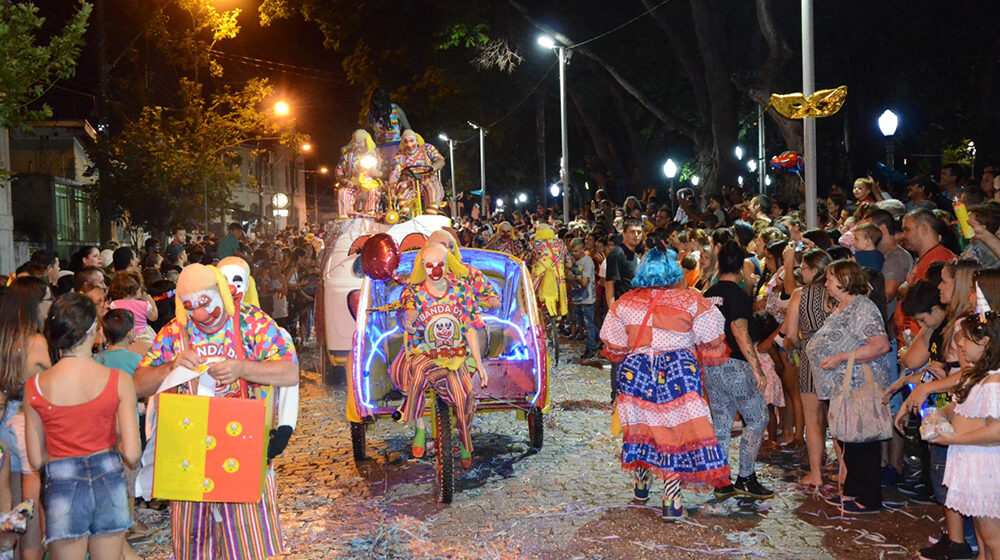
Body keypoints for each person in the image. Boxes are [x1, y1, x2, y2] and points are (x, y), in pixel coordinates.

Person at [133, 264, 299, 560]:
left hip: (244, 448)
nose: (199, 314)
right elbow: (137, 385)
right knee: (193, 546)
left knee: (247, 546)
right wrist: (169, 367)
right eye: (189, 306)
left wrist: (242, 368)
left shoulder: (251, 322)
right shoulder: (174, 332)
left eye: (205, 303)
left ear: (221, 293)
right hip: (188, 454)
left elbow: (289, 373)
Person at [599, 246, 731, 522]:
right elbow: (712, 334)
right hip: (678, 374)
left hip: (638, 373)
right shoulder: (690, 301)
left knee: (641, 426)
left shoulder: (625, 302)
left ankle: (641, 485)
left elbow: (614, 341)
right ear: (673, 270)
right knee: (673, 432)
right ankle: (671, 500)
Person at [23, 294, 141, 560]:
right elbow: (132, 454)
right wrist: (114, 442)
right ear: (94, 331)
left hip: (62, 482)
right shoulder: (119, 380)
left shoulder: (36, 386)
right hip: (108, 478)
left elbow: (35, 457)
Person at [806, 260, 893, 513]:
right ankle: (854, 491)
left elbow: (879, 345)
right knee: (848, 439)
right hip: (842, 389)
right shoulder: (844, 305)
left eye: (830, 278)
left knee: (862, 441)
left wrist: (842, 357)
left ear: (844, 281)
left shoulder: (862, 307)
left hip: (858, 386)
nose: (825, 283)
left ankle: (868, 499)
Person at [396, 244, 487, 468]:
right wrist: (409, 320)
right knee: (417, 374)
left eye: (440, 265)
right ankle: (418, 426)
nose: (435, 270)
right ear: (422, 267)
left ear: (448, 265)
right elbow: (407, 312)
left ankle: (466, 442)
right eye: (430, 266)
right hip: (424, 354)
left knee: (465, 397)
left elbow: (471, 327)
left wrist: (480, 363)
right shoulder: (413, 292)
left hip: (456, 357)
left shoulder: (461, 289)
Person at [703, 241, 773, 499]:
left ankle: (721, 480)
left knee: (721, 424)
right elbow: (740, 331)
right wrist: (757, 369)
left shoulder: (708, 294)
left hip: (711, 365)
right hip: (734, 365)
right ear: (741, 267)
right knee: (757, 419)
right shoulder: (738, 295)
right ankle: (746, 477)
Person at [933, 314, 1000, 560]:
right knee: (985, 535)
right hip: (975, 465)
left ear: (987, 343)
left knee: (995, 539)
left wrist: (953, 440)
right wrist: (941, 415)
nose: (960, 344)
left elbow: (996, 432)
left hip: (987, 467)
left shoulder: (994, 381)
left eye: (967, 340)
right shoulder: (982, 375)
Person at [0, 277, 51, 560]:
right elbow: (53, 382)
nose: (50, 306)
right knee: (31, 506)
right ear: (33, 305)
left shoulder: (3, 338)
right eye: (47, 300)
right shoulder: (36, 341)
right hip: (26, 423)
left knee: (12, 501)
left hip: (3, 422)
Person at [388, 130, 446, 216]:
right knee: (402, 188)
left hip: (427, 179)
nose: (409, 145)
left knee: (432, 187)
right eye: (406, 142)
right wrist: (392, 187)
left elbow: (440, 161)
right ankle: (405, 214)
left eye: (411, 141)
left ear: (416, 140)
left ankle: (432, 212)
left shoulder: (427, 148)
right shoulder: (399, 156)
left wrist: (433, 167)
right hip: (410, 182)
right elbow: (395, 173)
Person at [335, 130, 382, 218]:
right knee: (342, 192)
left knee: (373, 190)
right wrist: (344, 181)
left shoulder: (372, 154)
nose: (358, 144)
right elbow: (339, 169)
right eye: (356, 142)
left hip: (367, 184)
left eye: (360, 142)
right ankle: (345, 217)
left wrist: (372, 170)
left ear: (366, 142)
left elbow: (376, 170)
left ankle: (370, 213)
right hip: (352, 184)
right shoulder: (348, 155)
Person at [568, 239, 598, 359]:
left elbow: (584, 282)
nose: (574, 253)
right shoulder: (575, 261)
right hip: (577, 297)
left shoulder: (587, 261)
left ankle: (591, 348)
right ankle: (600, 338)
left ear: (582, 249)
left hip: (587, 297)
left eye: (576, 251)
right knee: (583, 322)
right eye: (572, 251)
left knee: (588, 323)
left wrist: (573, 277)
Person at [366, 87, 411, 163]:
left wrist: (414, 140)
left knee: (395, 171)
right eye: (377, 100)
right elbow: (364, 130)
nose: (379, 103)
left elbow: (407, 127)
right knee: (381, 173)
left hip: (396, 147)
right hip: (379, 148)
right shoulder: (371, 113)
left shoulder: (395, 109)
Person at [108, 274, 157, 340]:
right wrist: (151, 301)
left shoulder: (114, 304)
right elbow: (154, 317)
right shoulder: (144, 304)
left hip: (124, 335)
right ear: (137, 290)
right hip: (144, 334)